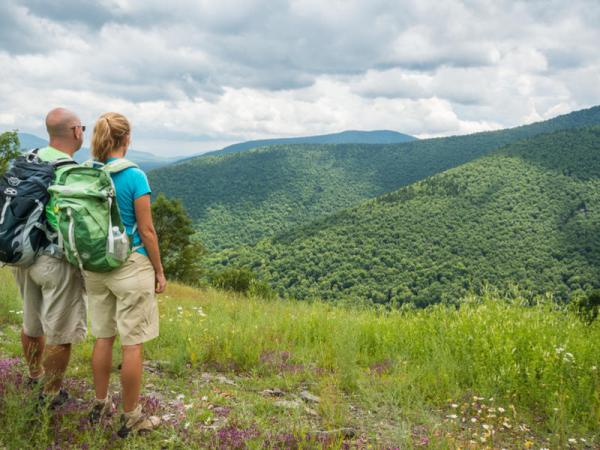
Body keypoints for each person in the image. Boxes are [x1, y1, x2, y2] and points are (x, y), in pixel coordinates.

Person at [84, 112, 166, 437]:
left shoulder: (87, 173)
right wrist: (159, 270)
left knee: (103, 337)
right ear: (126, 139)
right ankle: (131, 417)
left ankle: (100, 403)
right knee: (132, 344)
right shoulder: (135, 176)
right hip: (130, 264)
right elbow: (146, 230)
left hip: (94, 265)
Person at [11, 107, 87, 406]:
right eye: (83, 127)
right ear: (75, 132)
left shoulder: (27, 159)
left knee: (31, 324)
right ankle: (52, 394)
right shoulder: (70, 170)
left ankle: (33, 376)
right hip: (54, 260)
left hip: (22, 254)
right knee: (60, 331)